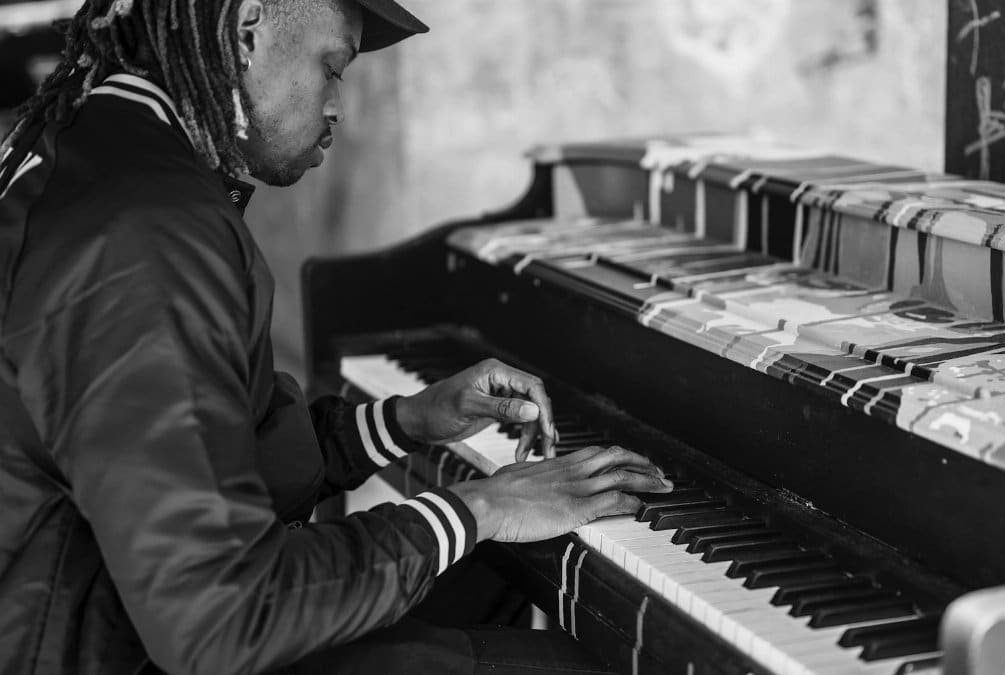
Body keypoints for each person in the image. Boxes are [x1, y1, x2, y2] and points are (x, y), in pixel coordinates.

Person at [0, 0, 672, 673]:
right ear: (246, 31)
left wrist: (406, 419)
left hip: (118, 614)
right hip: (123, 645)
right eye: (332, 69)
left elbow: (204, 454)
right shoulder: (146, 231)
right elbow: (220, 619)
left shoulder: (102, 149)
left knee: (492, 568)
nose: (336, 109)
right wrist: (480, 504)